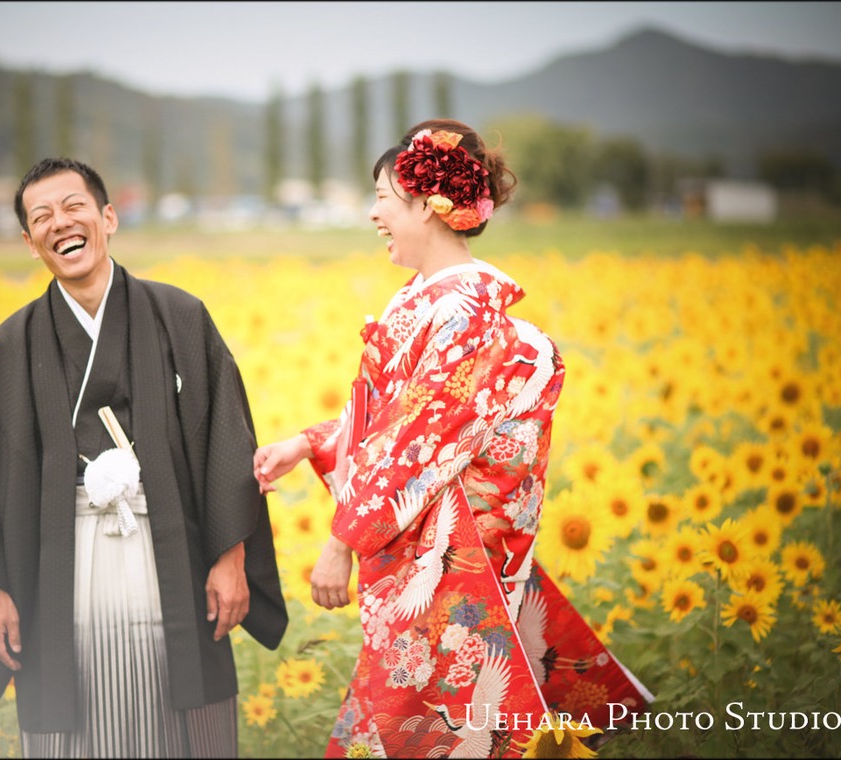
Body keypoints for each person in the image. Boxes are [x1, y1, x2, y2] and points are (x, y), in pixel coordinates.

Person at [254, 120, 652, 757]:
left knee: (424, 725)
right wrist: (308, 441)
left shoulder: (463, 310)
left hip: (449, 560)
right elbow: (404, 422)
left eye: (383, 197)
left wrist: (341, 541)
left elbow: (422, 437)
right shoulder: (430, 300)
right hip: (434, 549)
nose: (374, 214)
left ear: (427, 206)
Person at [0, 157, 288, 758]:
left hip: (173, 559)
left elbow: (227, 440)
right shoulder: (7, 350)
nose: (60, 224)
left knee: (188, 730)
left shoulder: (180, 318)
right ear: (28, 242)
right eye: (41, 217)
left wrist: (232, 556)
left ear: (108, 217)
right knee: (75, 732)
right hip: (58, 569)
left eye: (74, 207)